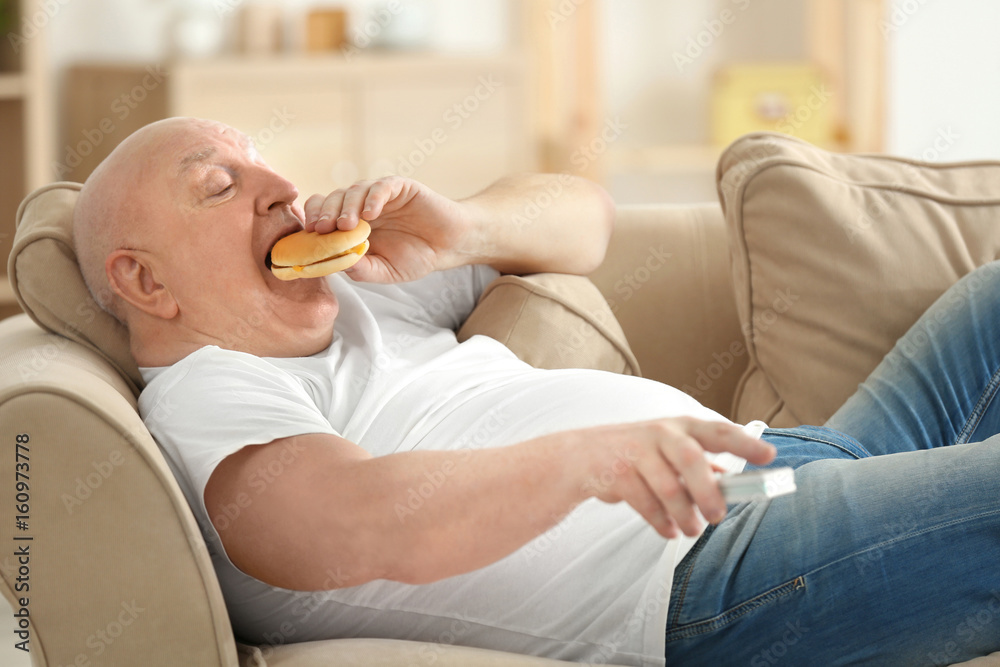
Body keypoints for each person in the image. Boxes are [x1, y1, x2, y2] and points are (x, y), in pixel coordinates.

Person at [72, 117, 999, 666]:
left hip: (778, 467)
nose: (282, 190)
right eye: (221, 186)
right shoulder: (209, 393)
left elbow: (585, 221)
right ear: (147, 284)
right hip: (716, 576)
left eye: (270, 164)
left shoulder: (362, 293)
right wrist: (585, 462)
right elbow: (350, 522)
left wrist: (464, 228)